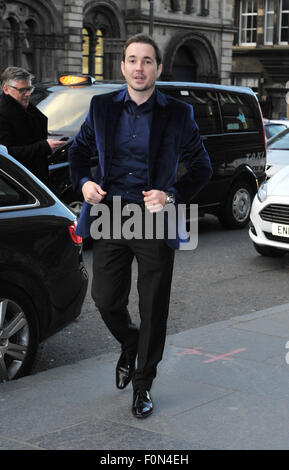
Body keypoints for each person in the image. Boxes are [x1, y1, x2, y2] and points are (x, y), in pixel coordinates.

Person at [68, 33, 212, 418]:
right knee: (105, 299)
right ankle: (130, 343)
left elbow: (202, 167)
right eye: (132, 60)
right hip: (111, 215)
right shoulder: (101, 108)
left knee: (153, 306)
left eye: (147, 61)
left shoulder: (178, 114)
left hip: (154, 221)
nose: (138, 67)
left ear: (158, 68)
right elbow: (78, 152)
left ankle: (143, 383)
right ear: (122, 66)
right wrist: (84, 182)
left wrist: (171, 196)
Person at [0, 67, 63, 185]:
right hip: (18, 183)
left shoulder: (25, 107)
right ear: (6, 89)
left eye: (29, 88)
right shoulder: (4, 113)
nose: (28, 93)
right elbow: (5, 153)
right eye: (22, 90)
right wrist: (44, 147)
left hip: (32, 178)